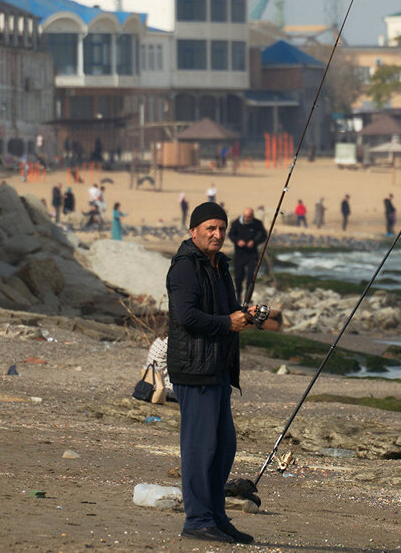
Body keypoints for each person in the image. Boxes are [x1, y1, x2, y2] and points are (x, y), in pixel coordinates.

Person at [166, 202, 261, 544]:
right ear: (193, 231)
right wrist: (227, 322)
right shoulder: (184, 267)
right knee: (199, 447)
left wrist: (243, 314)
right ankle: (197, 519)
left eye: (221, 228)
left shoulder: (220, 264)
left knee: (224, 446)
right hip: (194, 369)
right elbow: (187, 316)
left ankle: (217, 517)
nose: (218, 234)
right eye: (210, 228)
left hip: (219, 367)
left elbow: (224, 311)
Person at [227, 208, 266, 305]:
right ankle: (238, 297)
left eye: (248, 217)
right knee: (238, 277)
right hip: (239, 253)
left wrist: (254, 242)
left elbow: (263, 235)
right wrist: (237, 241)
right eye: (245, 216)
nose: (246, 219)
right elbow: (231, 234)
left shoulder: (257, 223)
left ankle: (247, 299)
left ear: (252, 216)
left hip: (252, 254)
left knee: (250, 277)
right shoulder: (236, 223)